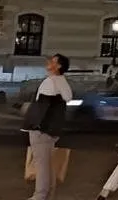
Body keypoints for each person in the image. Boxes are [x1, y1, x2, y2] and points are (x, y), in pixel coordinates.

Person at [22, 54, 72, 200]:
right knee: (47, 164)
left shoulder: (50, 82)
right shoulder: (62, 82)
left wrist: (32, 123)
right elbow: (67, 98)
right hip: (51, 130)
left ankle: (40, 195)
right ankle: (48, 194)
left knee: (41, 164)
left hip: (41, 129)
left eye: (53, 60)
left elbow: (41, 107)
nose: (49, 62)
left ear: (59, 66)